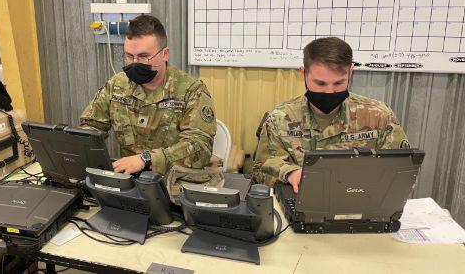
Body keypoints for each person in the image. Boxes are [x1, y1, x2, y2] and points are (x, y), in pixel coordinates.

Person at [80, 15, 218, 194]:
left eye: (144, 56)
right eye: (129, 56)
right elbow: (91, 126)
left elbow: (200, 146)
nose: (135, 63)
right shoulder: (117, 85)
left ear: (165, 54)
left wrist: (147, 159)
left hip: (175, 185)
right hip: (129, 185)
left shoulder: (191, 90)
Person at [252, 37, 410, 193]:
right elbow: (260, 171)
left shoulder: (378, 116)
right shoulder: (280, 118)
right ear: (303, 73)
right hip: (301, 202)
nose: (329, 91)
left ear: (350, 72)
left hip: (363, 202)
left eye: (338, 83)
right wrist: (290, 173)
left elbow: (404, 171)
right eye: (320, 83)